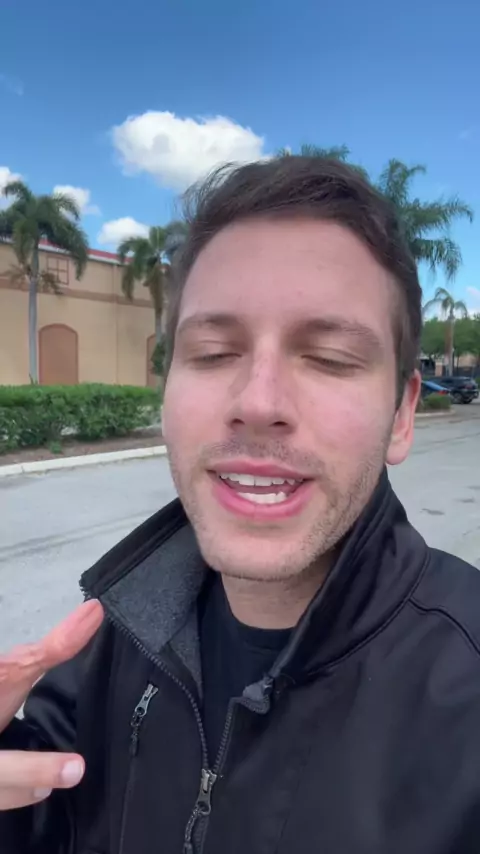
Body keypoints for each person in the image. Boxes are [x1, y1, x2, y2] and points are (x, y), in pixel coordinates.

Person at [1, 157, 480, 854]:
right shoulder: (120, 634)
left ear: (402, 414)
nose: (258, 402)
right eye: (214, 351)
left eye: (330, 357)